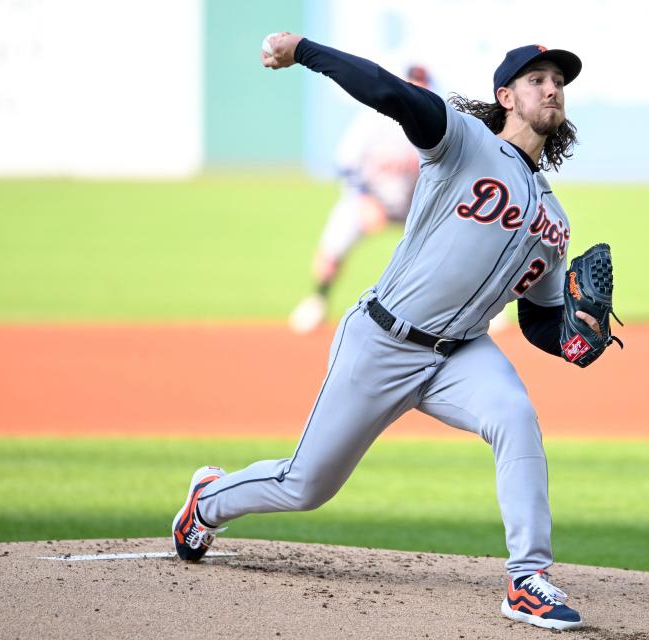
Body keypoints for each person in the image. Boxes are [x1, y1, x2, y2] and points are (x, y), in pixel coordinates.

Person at [173, 33, 608, 631]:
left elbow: (538, 317)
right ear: (506, 96)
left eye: (558, 81)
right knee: (306, 486)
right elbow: (390, 93)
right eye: (537, 80)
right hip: (382, 340)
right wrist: (303, 49)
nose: (552, 88)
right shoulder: (464, 142)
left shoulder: (553, 218)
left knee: (514, 415)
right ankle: (209, 501)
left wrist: (574, 337)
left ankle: (526, 579)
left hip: (461, 355)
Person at [289, 65, 431, 334]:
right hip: (365, 198)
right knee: (332, 249)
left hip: (410, 204)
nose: (418, 87)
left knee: (445, 248)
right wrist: (366, 199)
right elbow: (345, 163)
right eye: (413, 82)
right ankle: (318, 299)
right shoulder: (373, 120)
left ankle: (468, 309)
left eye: (422, 83)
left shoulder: (432, 121)